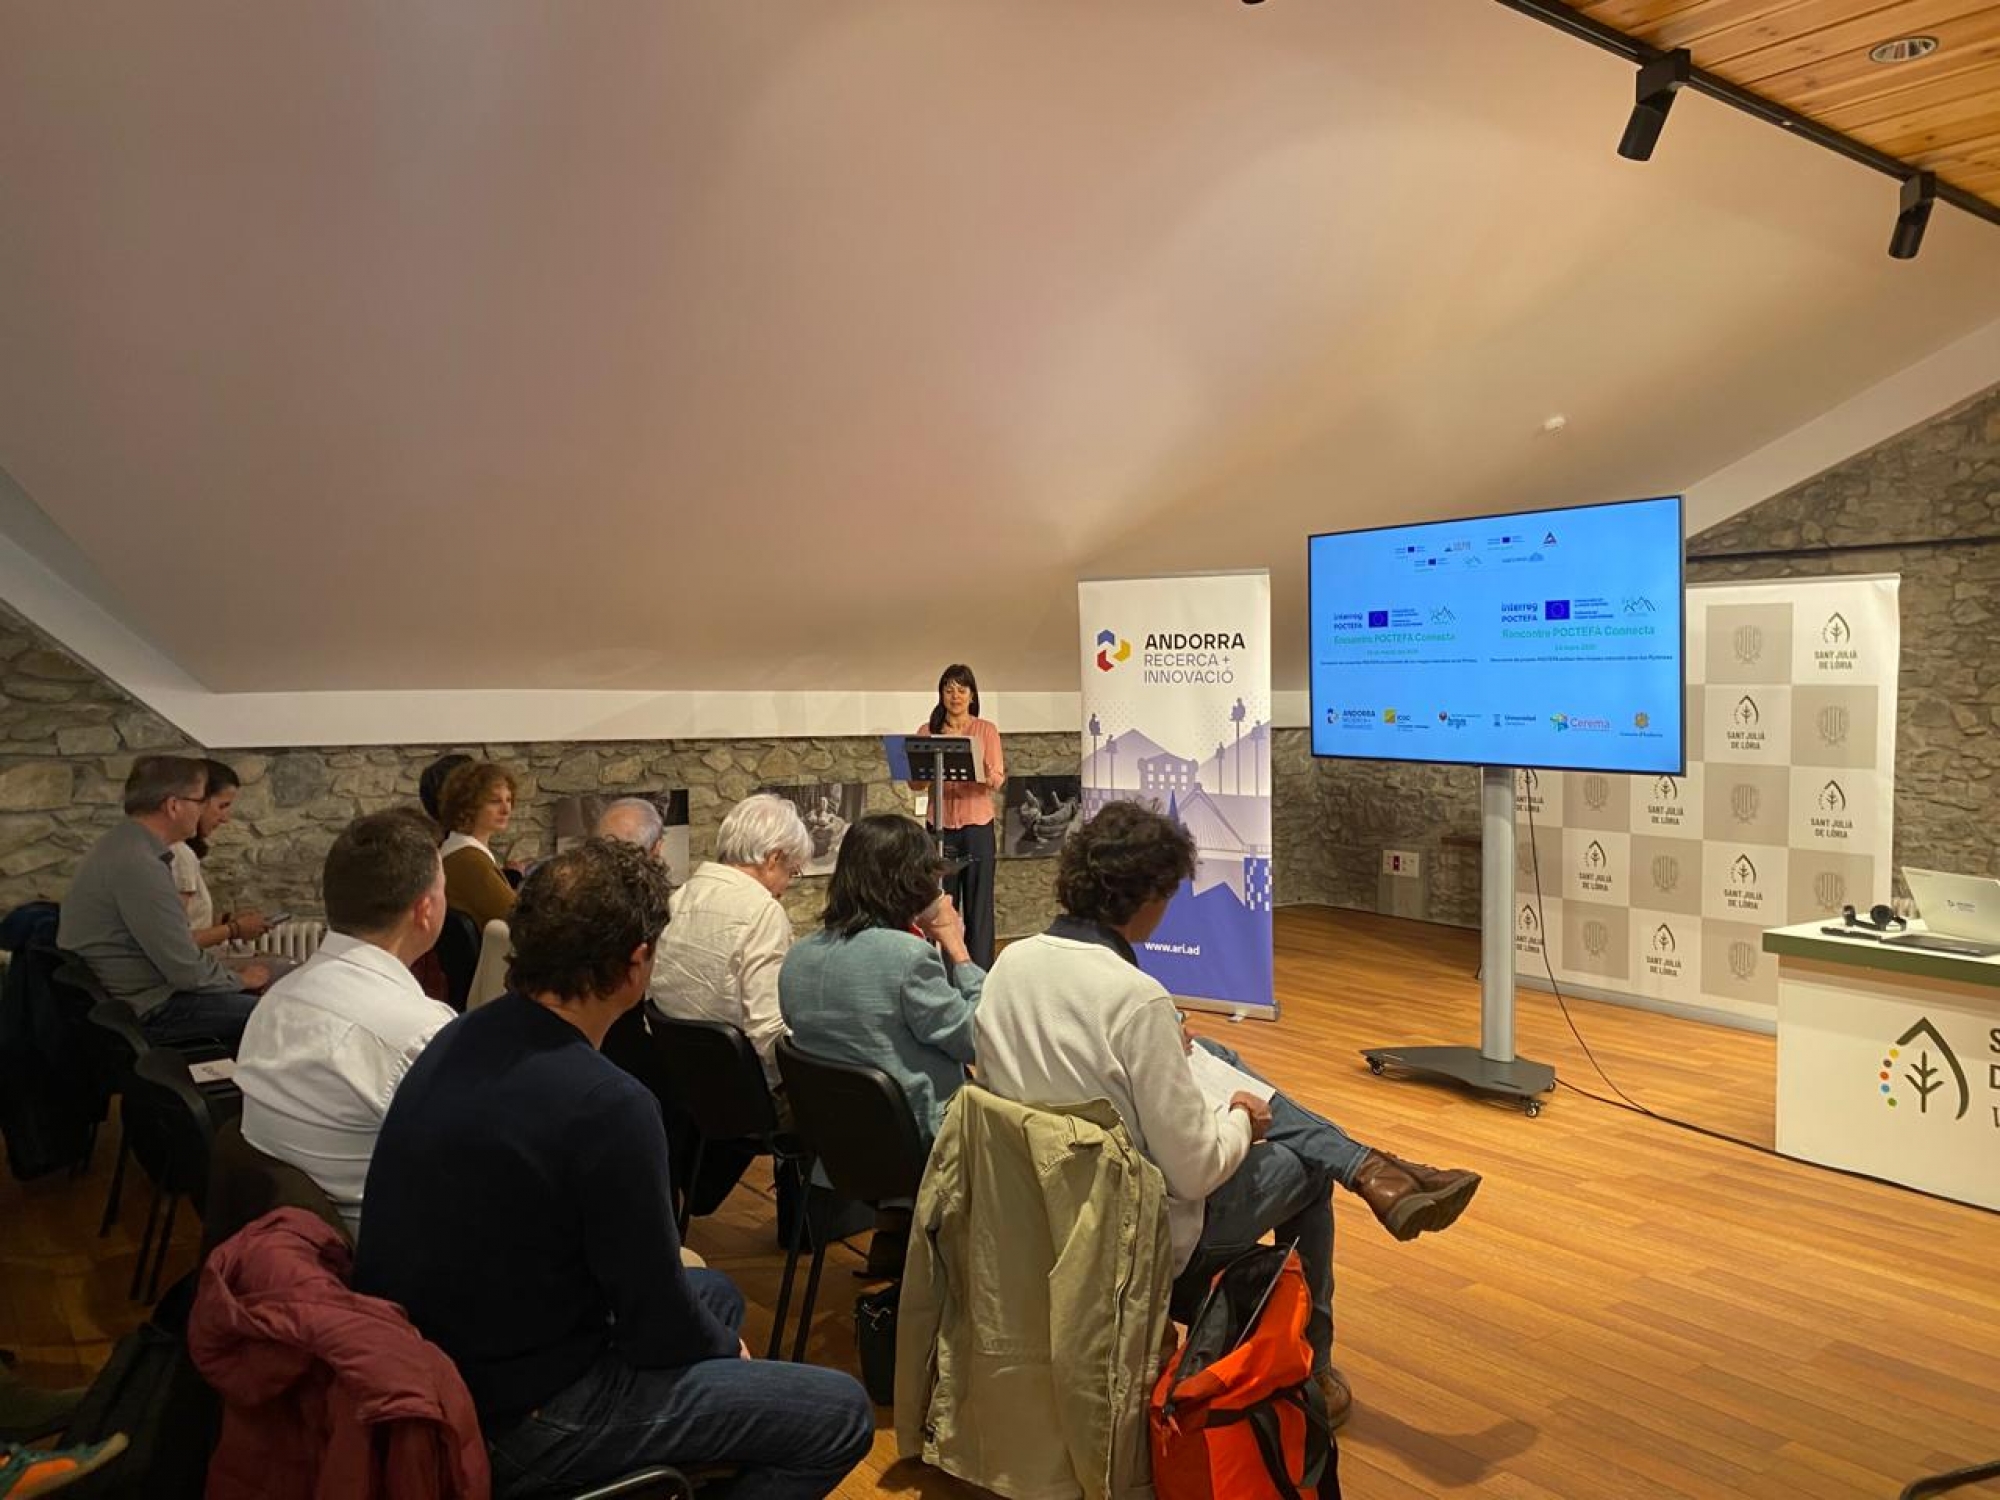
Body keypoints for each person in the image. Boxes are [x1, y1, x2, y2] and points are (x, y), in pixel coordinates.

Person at [355, 840, 873, 1499]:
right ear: (637, 962)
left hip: (438, 1364)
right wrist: (721, 1351)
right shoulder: (607, 1104)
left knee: (717, 1293)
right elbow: (657, 1325)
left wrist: (710, 1342)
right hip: (521, 1415)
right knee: (839, 1415)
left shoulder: (462, 1033)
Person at [972, 799, 1482, 1426]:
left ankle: (1376, 1169)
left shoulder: (1010, 963)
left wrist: (1172, 1053)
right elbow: (1193, 1174)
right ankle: (1314, 1364)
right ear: (1150, 896)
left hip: (1037, 1210)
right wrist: (1244, 1120)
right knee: (1304, 1168)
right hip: (1135, 1230)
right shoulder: (1135, 999)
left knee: (1213, 1054)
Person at [233, 810, 455, 1238]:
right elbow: (474, 1164)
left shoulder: (276, 999)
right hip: (377, 1252)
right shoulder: (419, 1032)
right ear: (425, 910)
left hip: (287, 1239)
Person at [778, 812, 981, 1146]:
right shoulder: (909, 957)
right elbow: (978, 1040)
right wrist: (958, 949)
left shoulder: (797, 957)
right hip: (918, 1140)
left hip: (833, 1140)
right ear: (912, 882)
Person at [58, 755, 270, 1050]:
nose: (206, 811)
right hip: (146, 1008)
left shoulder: (121, 843)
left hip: (129, 996)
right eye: (200, 801)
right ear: (173, 806)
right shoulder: (139, 864)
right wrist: (241, 980)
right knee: (274, 1016)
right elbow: (185, 968)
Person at [649, 793, 810, 1092]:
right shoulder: (761, 912)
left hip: (683, 1083)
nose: (786, 886)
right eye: (792, 872)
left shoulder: (680, 898)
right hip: (746, 1091)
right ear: (773, 859)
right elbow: (767, 1034)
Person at [913, 663, 1004, 968]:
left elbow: (997, 779)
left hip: (977, 828)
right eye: (949, 689)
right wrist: (924, 771)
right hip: (939, 826)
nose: (955, 696)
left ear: (972, 695)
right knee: (939, 903)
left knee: (979, 905)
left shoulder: (985, 730)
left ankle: (979, 975)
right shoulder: (927, 731)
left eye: (962, 690)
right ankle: (941, 972)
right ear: (941, 694)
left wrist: (979, 769)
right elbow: (916, 784)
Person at [169, 759, 271, 951]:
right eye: (222, 806)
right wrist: (233, 929)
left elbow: (189, 922)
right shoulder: (180, 855)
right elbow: (176, 941)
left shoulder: (178, 851)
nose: (225, 818)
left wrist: (226, 922)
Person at [436, 761, 520, 926]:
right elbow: (520, 918)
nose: (506, 810)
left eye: (508, 800)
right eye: (495, 801)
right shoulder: (468, 860)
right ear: (468, 807)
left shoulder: (457, 849)